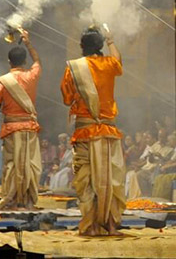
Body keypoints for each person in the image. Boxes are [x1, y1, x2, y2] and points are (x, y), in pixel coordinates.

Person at [60, 26, 124, 236]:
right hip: (108, 132)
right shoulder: (109, 63)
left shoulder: (74, 68)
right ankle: (111, 224)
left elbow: (67, 98)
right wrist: (111, 40)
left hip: (85, 131)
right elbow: (118, 60)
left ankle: (91, 226)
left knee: (85, 180)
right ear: (101, 46)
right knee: (110, 179)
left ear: (81, 47)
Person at [0, 29, 43, 209]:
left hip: (11, 128)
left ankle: (11, 199)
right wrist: (28, 42)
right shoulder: (32, 75)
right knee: (30, 163)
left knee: (12, 164)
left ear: (9, 62)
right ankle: (29, 200)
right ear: (25, 61)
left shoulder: (3, 81)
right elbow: (37, 61)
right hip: (29, 128)